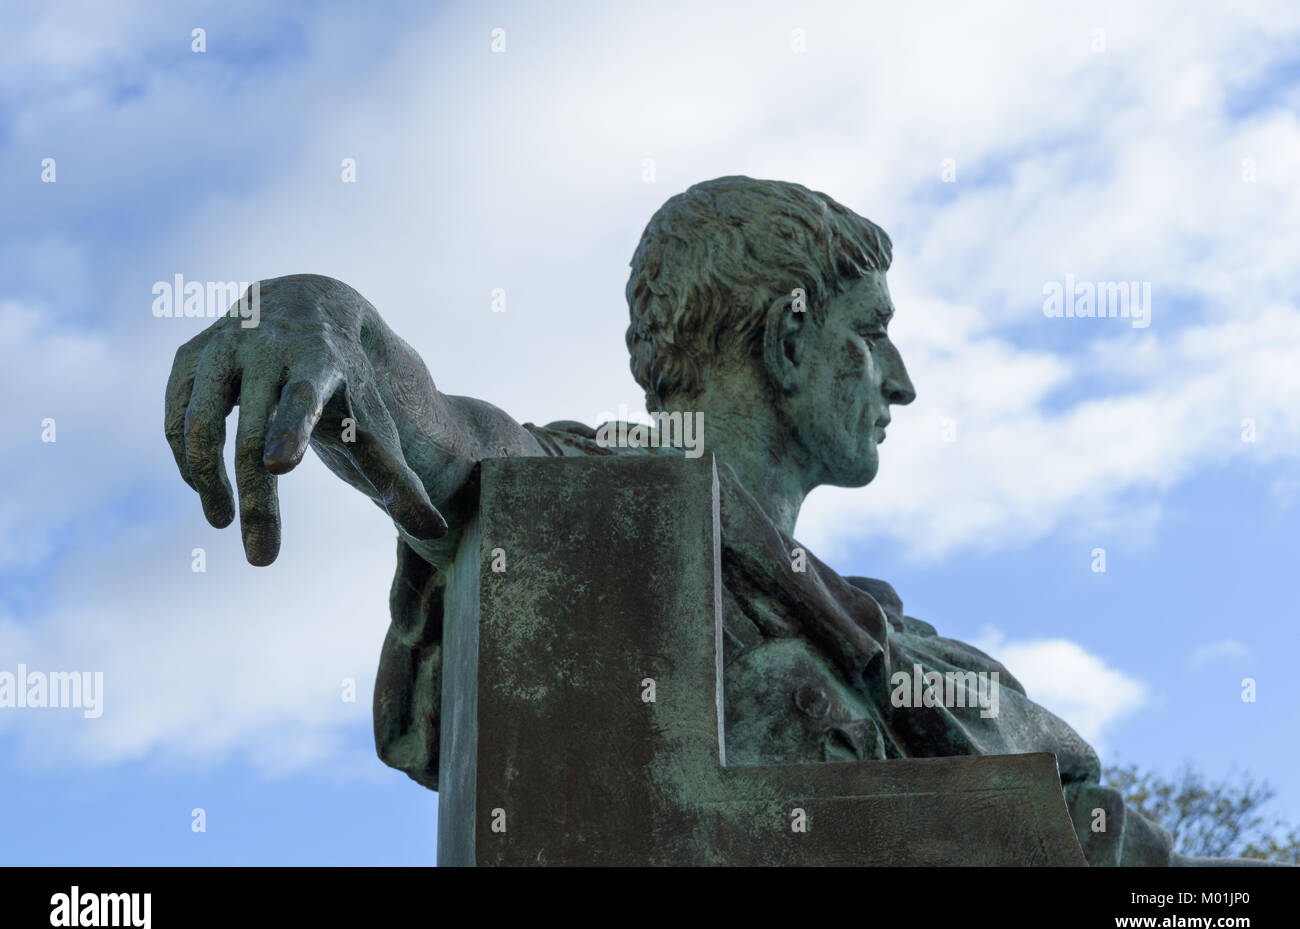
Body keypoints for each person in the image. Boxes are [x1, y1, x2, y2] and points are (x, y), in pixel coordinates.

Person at [165, 175, 1253, 865]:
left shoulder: (918, 656)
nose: (903, 380)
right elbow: (448, 439)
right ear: (787, 338)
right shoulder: (591, 501)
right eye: (871, 333)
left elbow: (1095, 814)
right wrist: (322, 314)